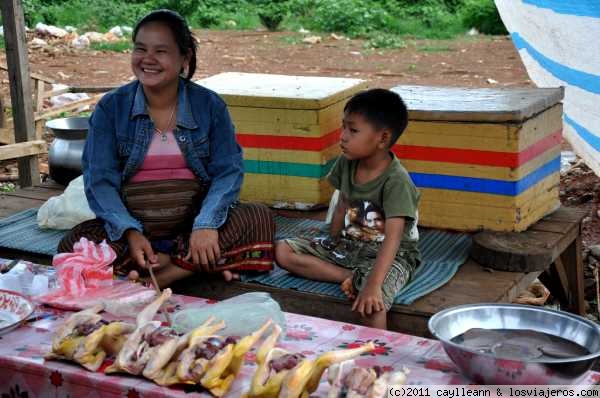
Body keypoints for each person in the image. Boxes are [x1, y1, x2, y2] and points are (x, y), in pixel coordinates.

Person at [58, 9, 275, 287]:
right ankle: (196, 264)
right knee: (74, 244)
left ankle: (159, 275)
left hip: (192, 228)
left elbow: (228, 172)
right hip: (135, 232)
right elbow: (99, 181)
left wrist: (206, 224)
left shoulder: (210, 106)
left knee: (257, 217)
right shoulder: (111, 108)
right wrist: (129, 232)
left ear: (184, 58)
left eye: (161, 51)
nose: (148, 59)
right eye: (140, 49)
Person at [275, 88, 421, 329]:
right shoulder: (347, 162)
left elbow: (393, 239)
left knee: (371, 301)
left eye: (352, 130)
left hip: (391, 255)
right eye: (343, 127)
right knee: (282, 251)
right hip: (350, 245)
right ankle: (348, 276)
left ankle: (379, 352)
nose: (342, 136)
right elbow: (343, 202)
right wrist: (330, 240)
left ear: (383, 138)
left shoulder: (397, 181)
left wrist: (373, 285)